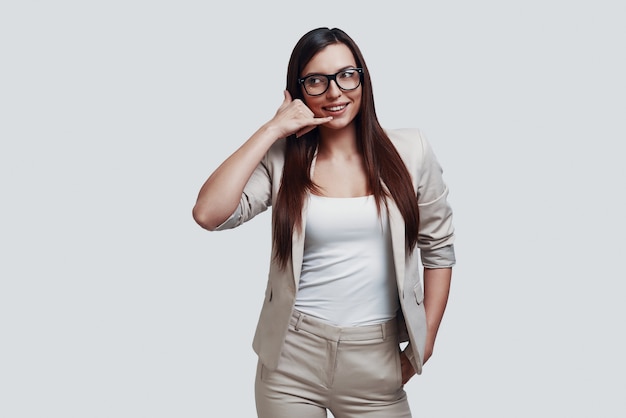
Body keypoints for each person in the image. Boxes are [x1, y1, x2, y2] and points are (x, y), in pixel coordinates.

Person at [192, 27, 456, 418]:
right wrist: (271, 130)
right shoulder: (284, 160)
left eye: (346, 75)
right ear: (299, 90)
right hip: (291, 360)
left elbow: (439, 250)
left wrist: (425, 344)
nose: (335, 92)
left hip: (375, 360)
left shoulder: (411, 150)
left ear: (362, 79)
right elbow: (208, 214)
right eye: (316, 81)